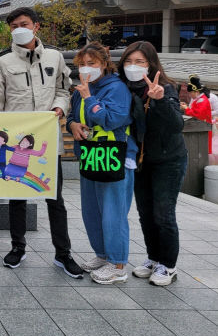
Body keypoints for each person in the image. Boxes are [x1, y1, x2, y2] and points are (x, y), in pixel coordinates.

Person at [0, 6, 83, 278]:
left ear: (36, 26)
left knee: (55, 198)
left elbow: (64, 89)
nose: (19, 28)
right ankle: (18, 247)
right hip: (16, 143)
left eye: (24, 23)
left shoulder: (54, 56)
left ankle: (63, 254)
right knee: (17, 197)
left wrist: (60, 108)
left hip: (47, 139)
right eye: (14, 25)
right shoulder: (1, 60)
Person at [118, 41, 187, 286]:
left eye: (140, 62)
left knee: (163, 214)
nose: (133, 66)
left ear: (151, 65)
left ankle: (168, 265)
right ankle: (153, 257)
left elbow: (177, 125)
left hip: (168, 160)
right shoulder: (123, 88)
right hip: (140, 160)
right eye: (128, 61)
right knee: (145, 213)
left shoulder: (165, 88)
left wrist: (158, 99)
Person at [67, 42, 135, 284]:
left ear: (104, 64)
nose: (86, 69)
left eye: (92, 63)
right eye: (82, 64)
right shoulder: (80, 89)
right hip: (91, 155)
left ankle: (118, 264)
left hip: (114, 155)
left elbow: (111, 120)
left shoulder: (116, 88)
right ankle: (102, 255)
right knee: (92, 211)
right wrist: (73, 125)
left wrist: (89, 98)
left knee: (113, 213)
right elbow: (73, 116)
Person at [181, 75, 213, 154]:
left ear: (196, 92)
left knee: (203, 149)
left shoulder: (203, 101)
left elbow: (197, 115)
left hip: (203, 127)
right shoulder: (198, 99)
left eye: (191, 93)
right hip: (199, 127)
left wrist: (186, 108)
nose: (190, 95)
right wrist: (187, 107)